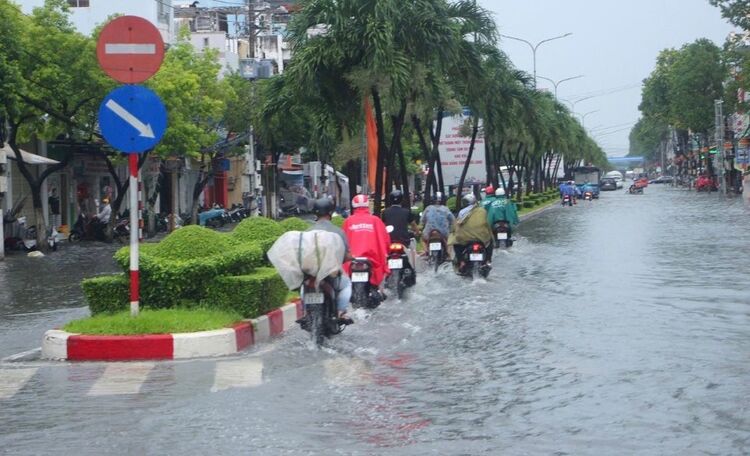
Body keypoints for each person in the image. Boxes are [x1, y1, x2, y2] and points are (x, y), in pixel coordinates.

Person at [309, 198, 353, 320]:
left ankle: (306, 314)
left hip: (311, 272)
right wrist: (350, 258)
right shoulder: (338, 232)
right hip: (330, 273)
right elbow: (346, 254)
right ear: (330, 213)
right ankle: (341, 312)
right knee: (346, 284)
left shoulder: (308, 231)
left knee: (305, 285)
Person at [342, 194, 391, 292]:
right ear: (367, 205)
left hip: (352, 261)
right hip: (372, 260)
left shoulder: (348, 221)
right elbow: (385, 241)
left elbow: (342, 242)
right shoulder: (376, 220)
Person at [450, 193, 494, 268]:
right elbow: (486, 223)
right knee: (490, 242)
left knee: (456, 244)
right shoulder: (482, 210)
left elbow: (456, 226)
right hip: (481, 238)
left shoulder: (462, 212)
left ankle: (461, 262)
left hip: (466, 239)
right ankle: (487, 260)